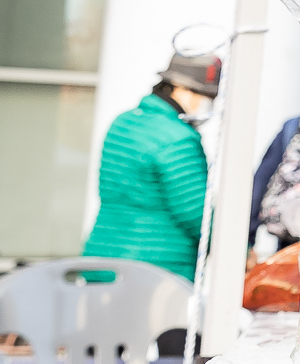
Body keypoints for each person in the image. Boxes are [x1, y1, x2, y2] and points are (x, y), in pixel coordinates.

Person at [81, 48, 220, 280]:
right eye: (204, 95)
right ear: (179, 88)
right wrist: (240, 252)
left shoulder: (123, 123)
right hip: (155, 270)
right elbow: (197, 214)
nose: (207, 103)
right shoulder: (178, 138)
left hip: (102, 257)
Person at [240, 90, 300, 313]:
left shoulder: (297, 126)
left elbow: (261, 183)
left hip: (289, 244)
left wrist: (248, 241)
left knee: (286, 308)